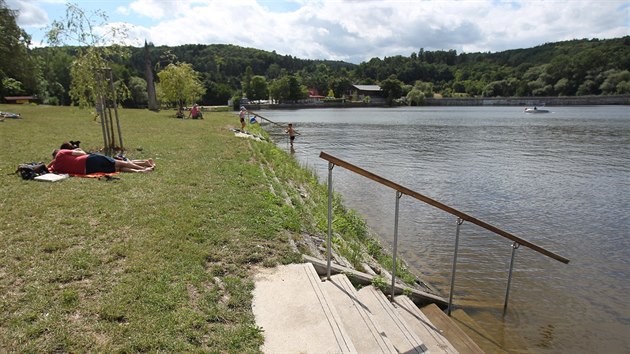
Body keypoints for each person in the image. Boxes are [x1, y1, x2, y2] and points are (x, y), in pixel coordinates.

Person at [48, 144, 155, 174]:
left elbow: (49, 168)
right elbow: (82, 153)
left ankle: (140, 171)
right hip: (89, 160)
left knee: (118, 168)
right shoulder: (62, 153)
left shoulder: (56, 167)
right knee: (121, 163)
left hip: (89, 170)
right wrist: (78, 149)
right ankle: (142, 168)